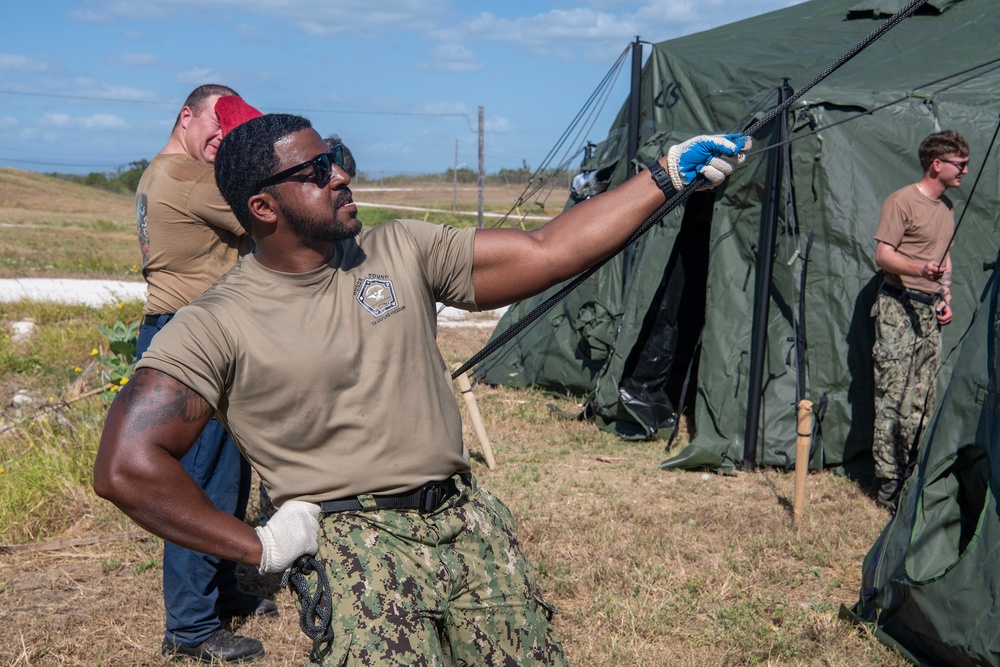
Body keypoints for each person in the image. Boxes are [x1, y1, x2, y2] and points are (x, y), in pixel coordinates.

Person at [95, 116, 749, 666]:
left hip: (465, 523)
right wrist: (259, 547)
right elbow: (127, 463)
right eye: (315, 172)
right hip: (353, 545)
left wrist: (664, 175)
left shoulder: (400, 249)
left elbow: (548, 251)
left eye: (334, 159)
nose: (340, 175)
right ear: (263, 208)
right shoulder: (216, 321)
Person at [134, 83, 273, 663]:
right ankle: (190, 630)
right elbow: (268, 210)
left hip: (195, 331)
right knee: (195, 483)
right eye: (216, 129)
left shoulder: (159, 172)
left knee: (227, 476)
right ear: (184, 117)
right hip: (188, 340)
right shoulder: (187, 179)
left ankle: (218, 592)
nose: (222, 141)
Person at [871, 129, 969, 512]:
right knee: (893, 396)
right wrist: (917, 269)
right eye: (959, 164)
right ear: (937, 164)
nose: (964, 171)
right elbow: (883, 255)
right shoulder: (902, 203)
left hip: (929, 310)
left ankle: (912, 477)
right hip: (897, 308)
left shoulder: (947, 207)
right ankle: (888, 487)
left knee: (923, 398)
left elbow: (944, 259)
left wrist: (945, 295)